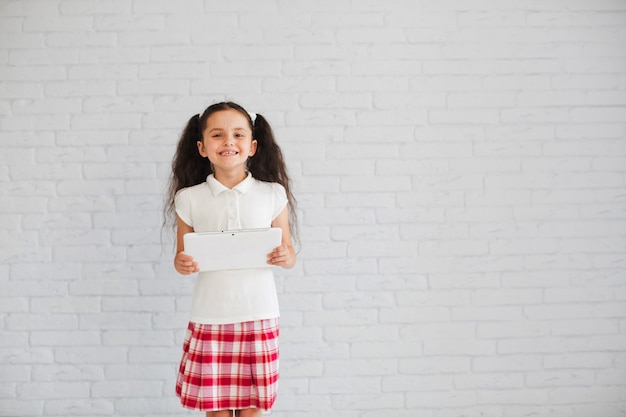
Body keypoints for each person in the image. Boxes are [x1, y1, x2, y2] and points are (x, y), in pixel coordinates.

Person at [165, 101, 297, 417]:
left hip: (259, 312)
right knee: (216, 410)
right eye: (218, 135)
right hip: (210, 314)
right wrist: (182, 263)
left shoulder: (272, 194)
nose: (228, 142)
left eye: (238, 134)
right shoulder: (189, 198)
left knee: (252, 409)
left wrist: (284, 255)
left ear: (252, 146)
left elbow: (290, 253)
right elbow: (181, 257)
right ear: (201, 147)